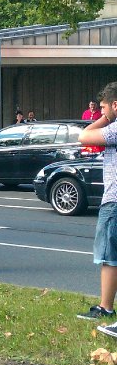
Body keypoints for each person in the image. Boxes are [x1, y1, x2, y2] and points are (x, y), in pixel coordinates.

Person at [76, 82, 117, 331]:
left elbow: (84, 136)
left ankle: (105, 307)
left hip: (114, 199)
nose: (100, 113)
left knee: (109, 256)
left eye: (104, 107)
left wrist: (104, 117)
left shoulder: (114, 128)